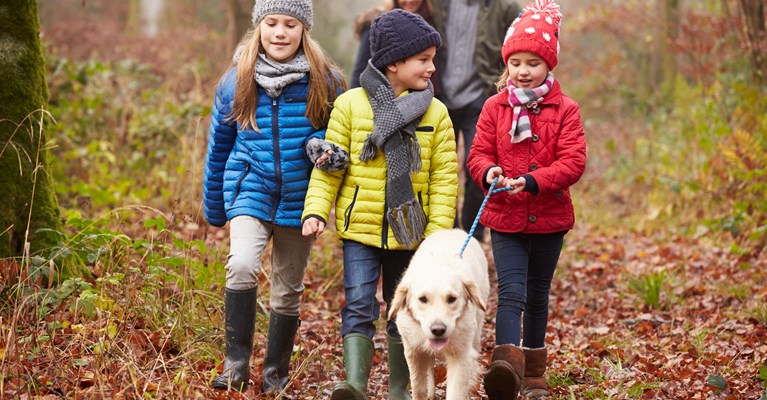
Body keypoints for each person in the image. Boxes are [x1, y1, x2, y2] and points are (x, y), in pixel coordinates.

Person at [301, 9, 457, 400]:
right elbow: (329, 166)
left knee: (403, 309)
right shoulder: (351, 106)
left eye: (432, 59)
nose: (432, 68)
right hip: (360, 229)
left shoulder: (436, 113)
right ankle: (354, 384)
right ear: (394, 62)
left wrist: (437, 238)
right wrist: (316, 210)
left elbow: (443, 180)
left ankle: (400, 388)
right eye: (423, 60)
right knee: (357, 303)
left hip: (413, 234)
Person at [202, 0, 347, 393]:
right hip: (250, 188)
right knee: (243, 263)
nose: (279, 32)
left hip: (301, 198)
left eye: (290, 24)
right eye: (271, 23)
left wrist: (324, 149)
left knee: (287, 287)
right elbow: (219, 146)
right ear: (258, 25)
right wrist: (214, 205)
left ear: (304, 30)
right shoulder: (236, 80)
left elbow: (338, 135)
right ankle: (235, 363)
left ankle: (275, 373)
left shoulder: (327, 81)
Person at [466, 0, 587, 398]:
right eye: (515, 62)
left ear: (548, 65)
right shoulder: (494, 107)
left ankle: (534, 374)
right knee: (511, 292)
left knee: (537, 294)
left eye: (532, 63)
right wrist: (489, 172)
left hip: (550, 217)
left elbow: (573, 163)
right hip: (505, 217)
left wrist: (533, 181)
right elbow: (478, 154)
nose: (522, 71)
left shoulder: (565, 109)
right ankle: (505, 366)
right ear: (507, 64)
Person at [430, 0, 521, 242]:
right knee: (439, 167)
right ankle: (446, 233)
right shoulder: (438, 4)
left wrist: (498, 85)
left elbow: (519, 44)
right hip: (439, 96)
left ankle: (471, 235)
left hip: (479, 98)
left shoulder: (505, 7)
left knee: (478, 166)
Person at [350, 0, 441, 98]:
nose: (409, 1)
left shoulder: (437, 21)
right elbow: (360, 71)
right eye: (423, 59)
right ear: (392, 63)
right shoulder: (379, 29)